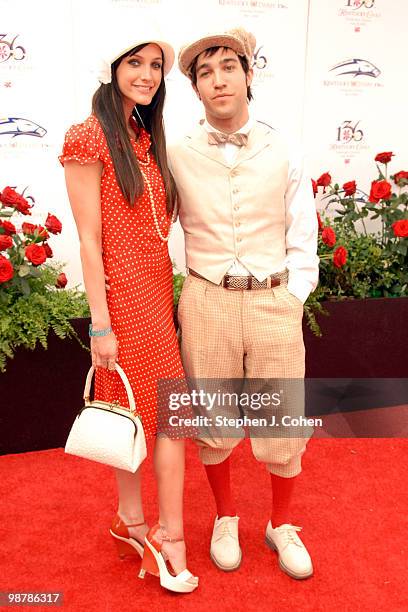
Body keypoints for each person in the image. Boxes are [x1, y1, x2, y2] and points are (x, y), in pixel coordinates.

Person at [168, 27, 319, 580]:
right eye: (205, 73)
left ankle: (281, 525)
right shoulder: (176, 154)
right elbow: (151, 224)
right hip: (207, 301)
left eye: (227, 67)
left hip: (273, 299)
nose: (218, 80)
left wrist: (294, 296)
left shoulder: (283, 146)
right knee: (213, 420)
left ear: (249, 75)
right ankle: (225, 516)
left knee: (283, 421)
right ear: (196, 89)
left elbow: (304, 228)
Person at [59, 30, 198, 594]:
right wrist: (100, 324)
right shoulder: (87, 136)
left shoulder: (146, 137)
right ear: (111, 66)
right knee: (164, 418)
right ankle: (169, 539)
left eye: (156, 66)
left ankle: (133, 522)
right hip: (121, 304)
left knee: (141, 414)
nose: (147, 74)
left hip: (156, 299)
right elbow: (89, 241)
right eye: (135, 63)